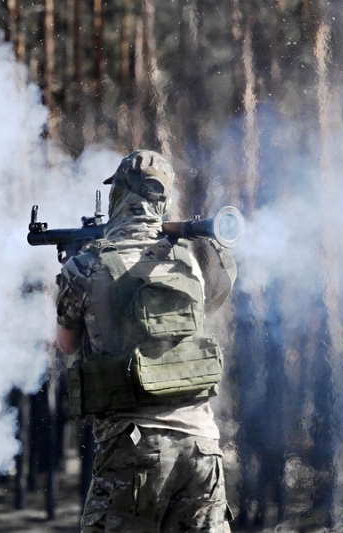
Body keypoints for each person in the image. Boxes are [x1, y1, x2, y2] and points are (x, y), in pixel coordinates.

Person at [55, 149, 237, 533]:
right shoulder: (191, 260)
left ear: (118, 196)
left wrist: (79, 266)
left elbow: (67, 344)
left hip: (133, 446)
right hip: (203, 447)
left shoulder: (85, 267)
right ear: (163, 202)